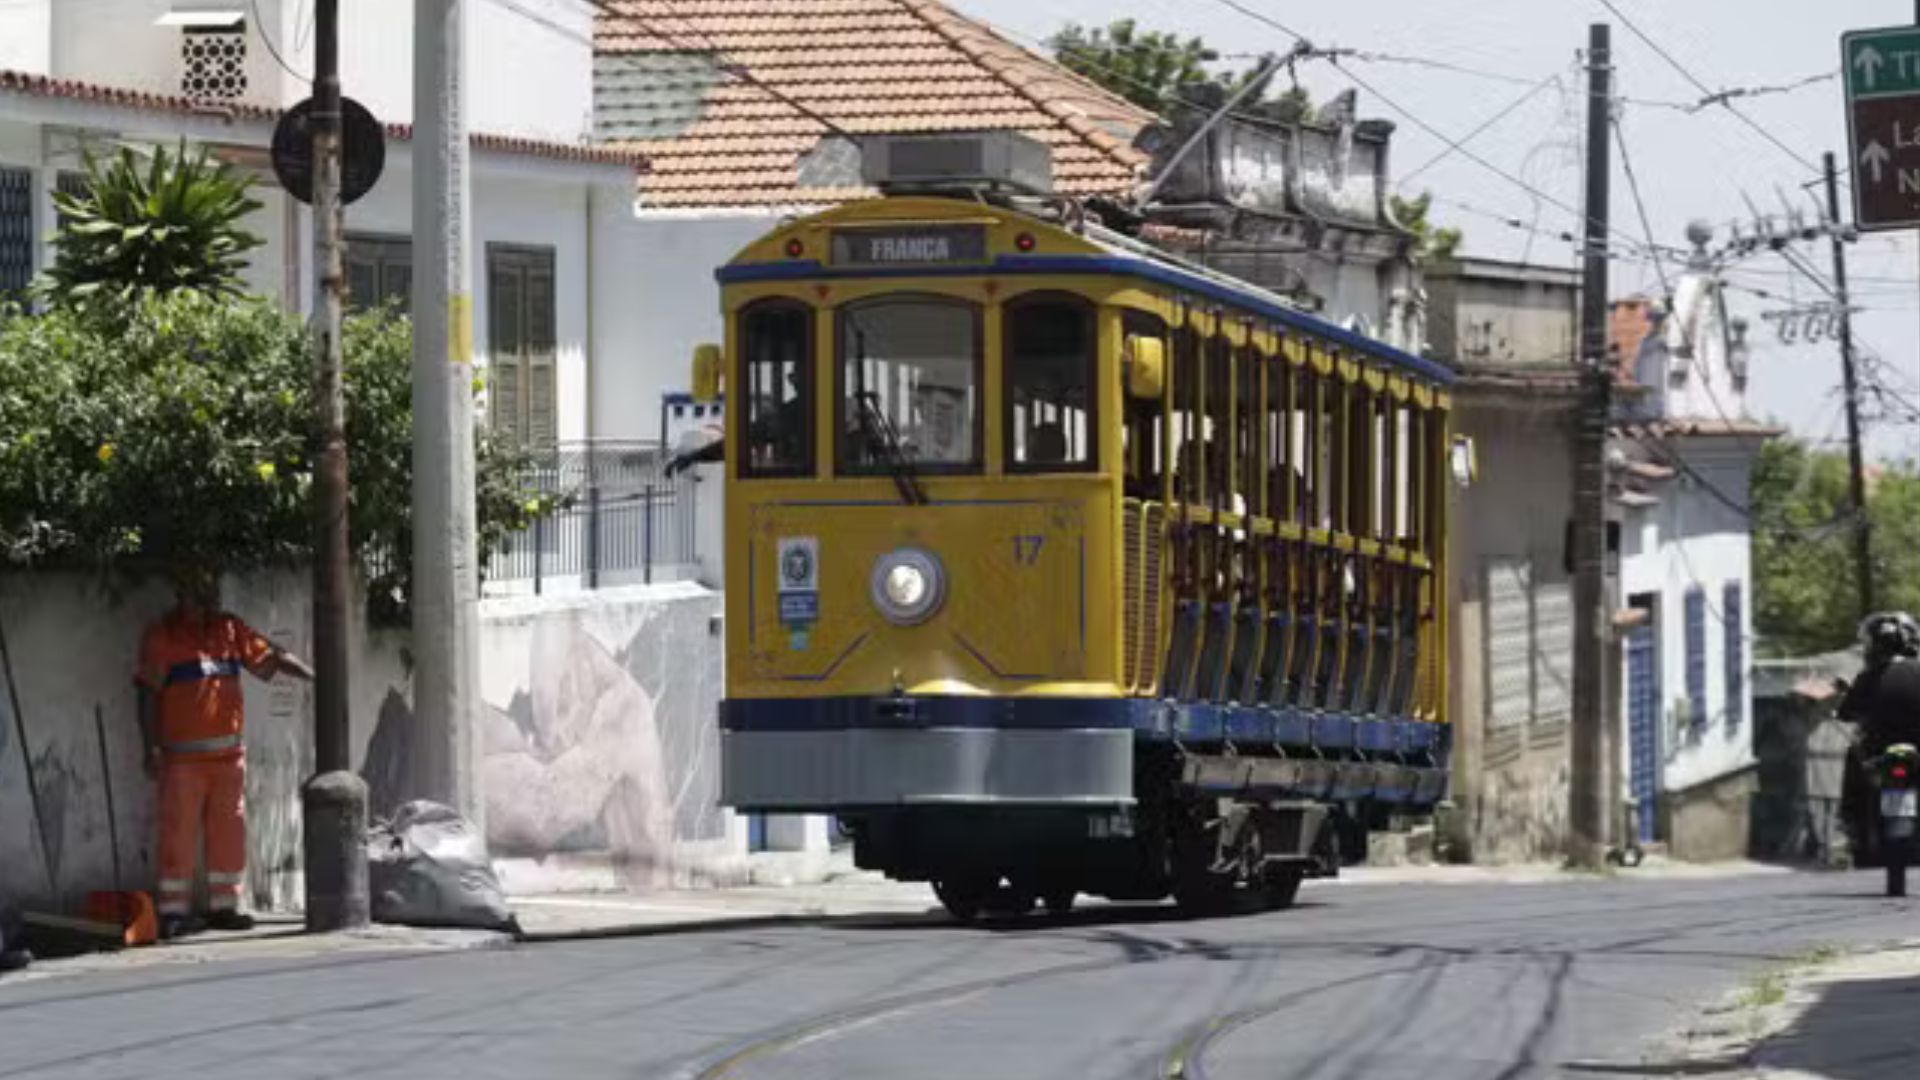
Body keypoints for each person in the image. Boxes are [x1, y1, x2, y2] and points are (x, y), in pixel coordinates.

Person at [136, 567, 313, 939]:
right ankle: (173, 911)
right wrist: (149, 745)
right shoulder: (163, 635)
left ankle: (225, 906)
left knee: (229, 831)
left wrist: (313, 674)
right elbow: (147, 694)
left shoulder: (230, 630)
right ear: (182, 596)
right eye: (201, 595)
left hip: (228, 758)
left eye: (213, 595)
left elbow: (270, 657)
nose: (210, 602)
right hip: (181, 760)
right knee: (178, 833)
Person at [1838, 611, 1920, 863]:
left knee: (1854, 752)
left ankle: (1849, 821)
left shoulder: (1868, 677)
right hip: (1910, 755)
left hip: (1879, 756)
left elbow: (1846, 713)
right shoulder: (1916, 670)